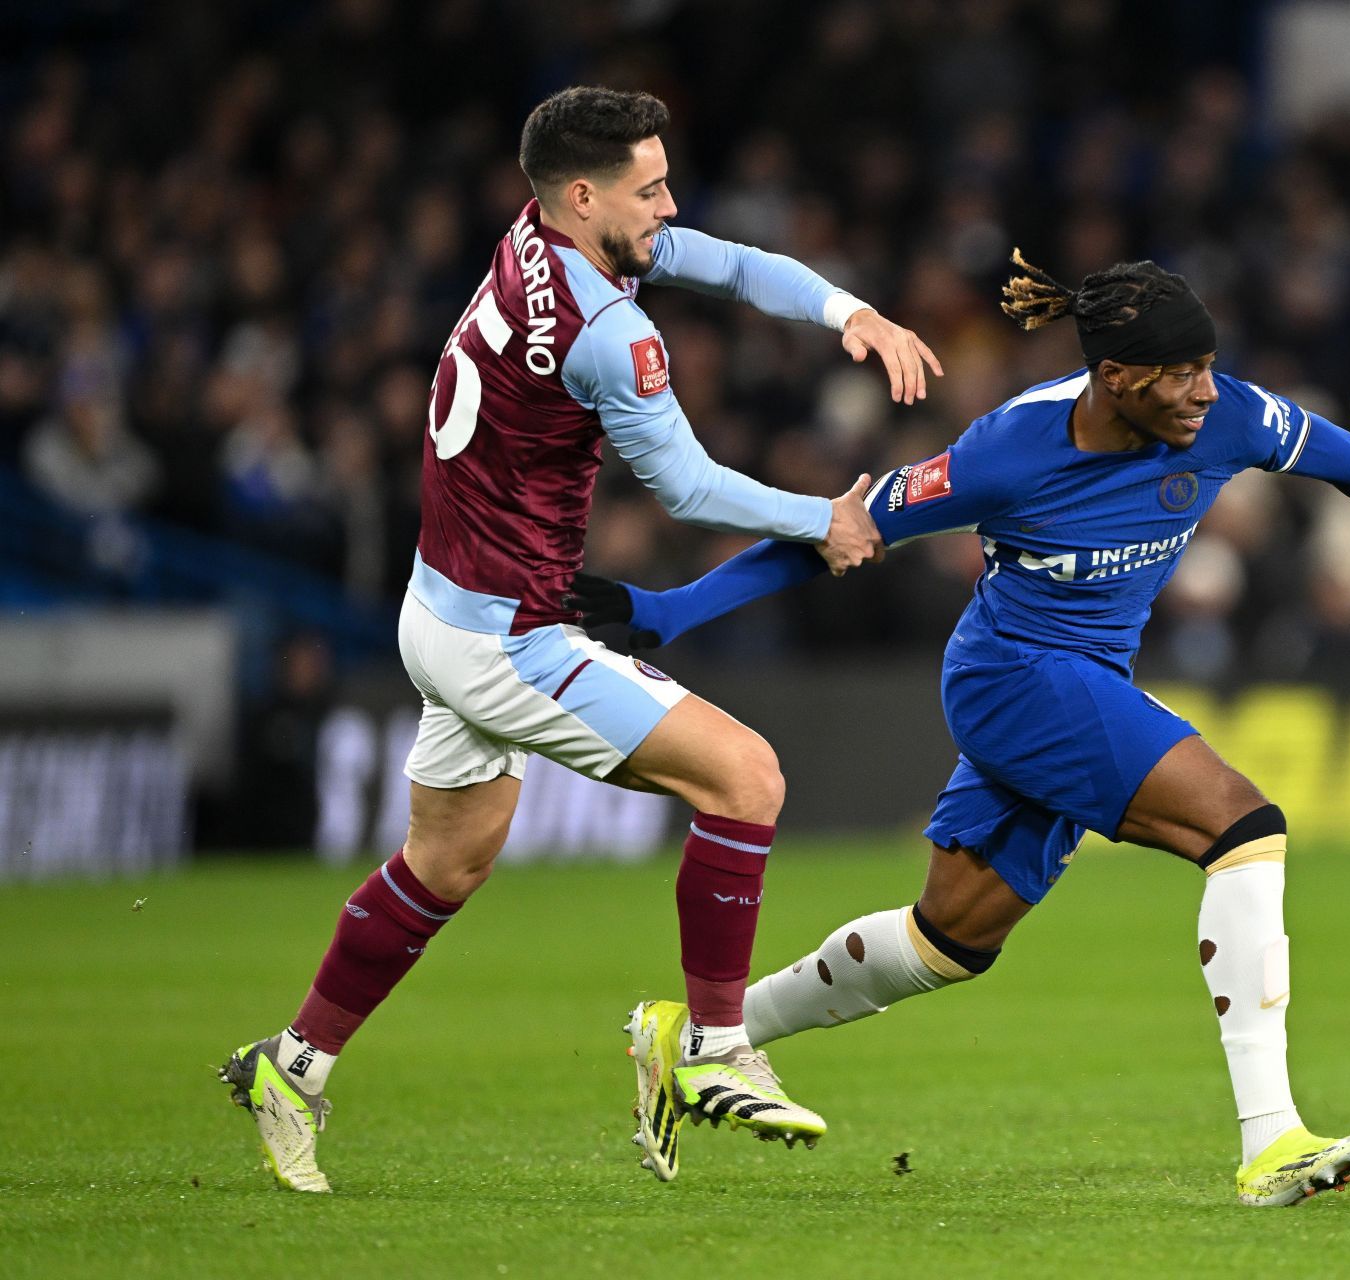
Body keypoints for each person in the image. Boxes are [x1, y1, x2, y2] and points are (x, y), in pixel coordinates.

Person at [577, 252, 1350, 1206]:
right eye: (1181, 374)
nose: (1205, 392)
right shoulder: (1006, 452)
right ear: (1116, 378)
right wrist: (672, 611)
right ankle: (1271, 1138)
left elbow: (1330, 449)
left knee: (950, 940)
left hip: (1087, 678)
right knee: (1243, 827)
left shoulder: (1221, 414)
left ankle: (692, 1032)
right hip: (1014, 676)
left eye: (1209, 366)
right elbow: (842, 530)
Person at [217, 86, 943, 1193]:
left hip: (437, 607)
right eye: (650, 189)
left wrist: (853, 313)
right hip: (509, 634)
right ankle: (706, 1043)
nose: (670, 205)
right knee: (747, 777)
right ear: (585, 194)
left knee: (449, 858)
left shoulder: (537, 242)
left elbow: (737, 266)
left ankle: (292, 1065)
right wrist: (824, 519)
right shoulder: (614, 331)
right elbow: (687, 484)